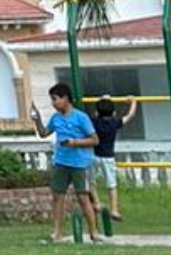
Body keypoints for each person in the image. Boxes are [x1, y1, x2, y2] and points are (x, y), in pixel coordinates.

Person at [31, 83, 103, 244]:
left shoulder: (81, 117)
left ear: (65, 98)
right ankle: (57, 232)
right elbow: (44, 133)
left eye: (55, 99)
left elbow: (95, 140)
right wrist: (36, 119)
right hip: (61, 163)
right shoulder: (56, 118)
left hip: (80, 164)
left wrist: (74, 142)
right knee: (57, 197)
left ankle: (94, 232)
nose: (53, 103)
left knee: (83, 198)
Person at [92, 95, 138, 222]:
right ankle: (114, 209)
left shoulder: (93, 122)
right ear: (114, 113)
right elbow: (130, 115)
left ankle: (96, 203)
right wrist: (134, 101)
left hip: (94, 156)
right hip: (108, 157)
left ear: (96, 113)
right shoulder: (114, 123)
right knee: (112, 184)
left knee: (90, 181)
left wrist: (102, 99)